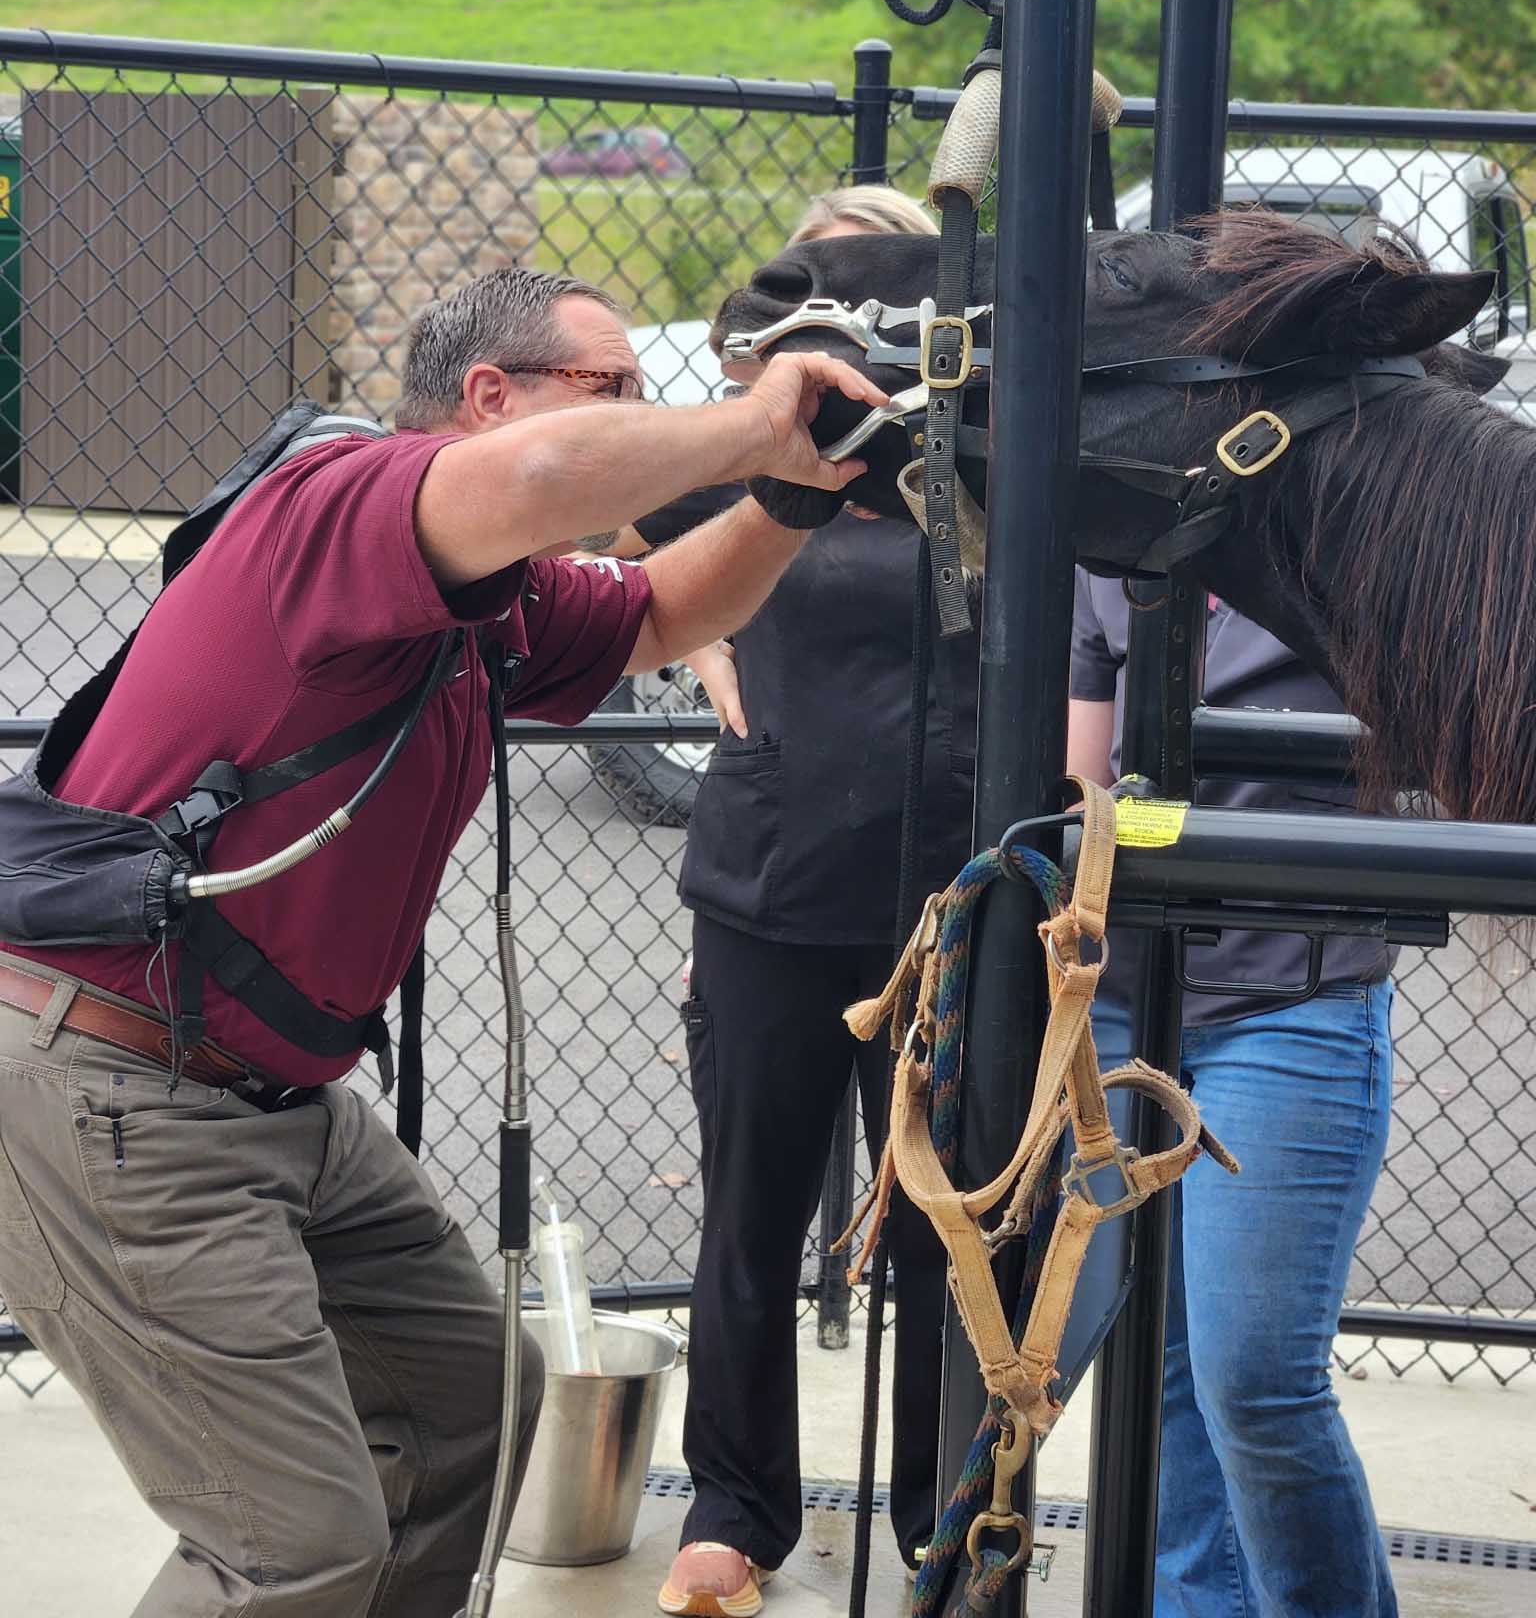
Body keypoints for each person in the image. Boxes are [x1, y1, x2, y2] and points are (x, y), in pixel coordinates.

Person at [0, 264, 887, 1618]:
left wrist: (784, 496)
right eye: (619, 391)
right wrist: (755, 420)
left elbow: (659, 615)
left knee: (471, 1402)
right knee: (292, 1546)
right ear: (489, 399)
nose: (647, 420)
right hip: (116, 1088)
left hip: (268, 1095)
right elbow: (542, 480)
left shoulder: (493, 592)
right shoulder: (343, 498)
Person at [617, 187, 974, 1618]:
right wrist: (694, 650)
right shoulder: (735, 450)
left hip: (957, 896)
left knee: (949, 1228)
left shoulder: (977, 456)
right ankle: (735, 1512)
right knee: (751, 1220)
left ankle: (942, 1512)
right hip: (773, 886)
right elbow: (591, 516)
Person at [1068, 570, 1398, 1618]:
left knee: (1253, 1378)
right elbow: (1077, 780)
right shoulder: (1101, 549)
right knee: (1156, 1367)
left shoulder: (1336, 517)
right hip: (1125, 1005)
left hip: (1289, 995)